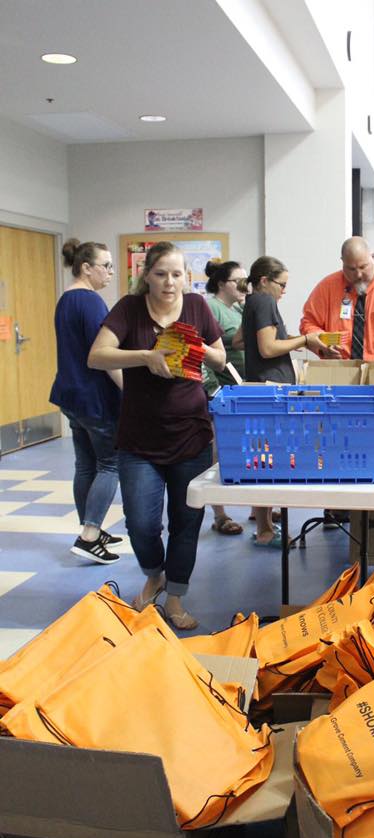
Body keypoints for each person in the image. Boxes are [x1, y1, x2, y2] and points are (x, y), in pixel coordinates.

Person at [88, 241, 226, 630]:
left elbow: (220, 357)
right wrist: (145, 356)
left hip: (191, 434)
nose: (169, 282)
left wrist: (197, 347)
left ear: (187, 277)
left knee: (187, 522)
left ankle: (176, 597)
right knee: (141, 523)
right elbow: (96, 356)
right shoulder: (129, 310)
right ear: (146, 275)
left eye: (177, 274)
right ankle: (155, 574)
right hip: (139, 439)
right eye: (161, 274)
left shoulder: (198, 307)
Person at [239, 255, 337, 546]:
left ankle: (264, 524)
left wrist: (295, 338)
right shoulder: (264, 302)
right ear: (264, 281)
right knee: (270, 460)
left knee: (263, 458)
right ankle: (266, 530)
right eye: (281, 284)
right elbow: (268, 348)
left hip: (263, 385)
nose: (284, 291)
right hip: (271, 387)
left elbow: (241, 341)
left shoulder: (252, 303)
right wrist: (305, 340)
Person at [49, 238, 122, 565]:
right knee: (110, 464)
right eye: (105, 265)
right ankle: (90, 535)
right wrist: (129, 392)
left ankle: (90, 527)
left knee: (86, 464)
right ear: (86, 268)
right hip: (93, 397)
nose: (110, 272)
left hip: (70, 394)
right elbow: (104, 356)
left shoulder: (65, 299)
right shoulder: (91, 302)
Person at [203, 259, 247, 537]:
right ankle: (219, 514)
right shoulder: (211, 308)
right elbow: (204, 352)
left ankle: (259, 508)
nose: (244, 286)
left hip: (243, 391)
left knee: (250, 451)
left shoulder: (240, 307)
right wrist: (211, 389)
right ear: (222, 284)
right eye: (238, 281)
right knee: (218, 453)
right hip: (221, 393)